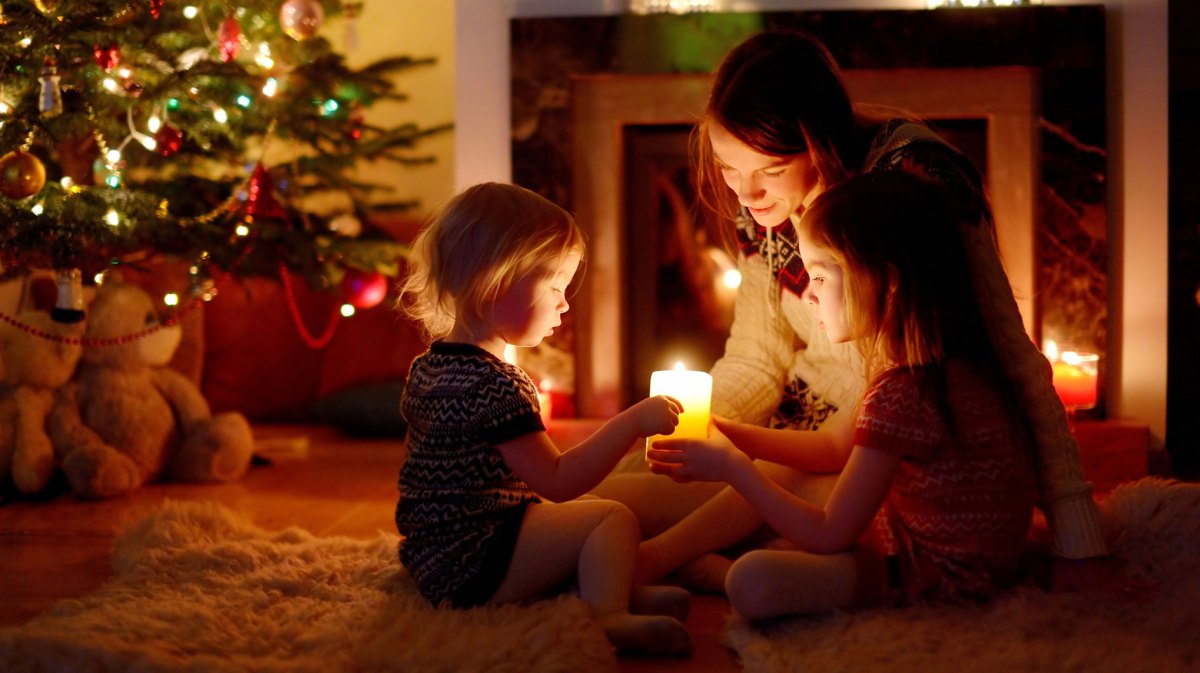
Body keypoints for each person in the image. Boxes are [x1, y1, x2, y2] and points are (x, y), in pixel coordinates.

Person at [593, 29, 1112, 591]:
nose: (746, 194)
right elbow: (756, 359)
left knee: (666, 510)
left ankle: (678, 558)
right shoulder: (759, 207)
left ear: (818, 143)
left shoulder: (913, 185)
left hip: (881, 462)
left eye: (770, 171)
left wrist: (1077, 535)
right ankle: (699, 557)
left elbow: (1013, 356)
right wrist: (695, 428)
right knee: (617, 491)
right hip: (800, 439)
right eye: (727, 168)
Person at [643, 170, 1040, 616]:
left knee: (753, 581)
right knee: (782, 469)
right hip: (923, 535)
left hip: (933, 574)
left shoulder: (904, 393)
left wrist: (732, 467)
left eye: (819, 277)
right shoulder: (953, 366)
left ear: (887, 282)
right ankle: (657, 556)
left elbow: (830, 532)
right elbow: (834, 447)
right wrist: (727, 433)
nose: (808, 295)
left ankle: (708, 570)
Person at [394, 182, 692, 656]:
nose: (564, 303)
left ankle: (611, 587)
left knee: (571, 517)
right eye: (554, 287)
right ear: (493, 282)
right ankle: (609, 613)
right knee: (609, 516)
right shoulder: (493, 384)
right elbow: (558, 481)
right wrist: (631, 423)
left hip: (433, 555)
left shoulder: (428, 367)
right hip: (476, 561)